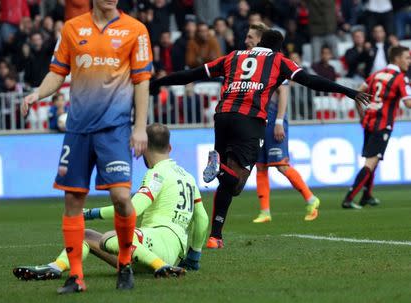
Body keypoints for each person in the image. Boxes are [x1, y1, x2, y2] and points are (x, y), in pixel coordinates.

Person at [149, 29, 371, 248]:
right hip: (250, 120)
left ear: (260, 42)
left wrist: (157, 83)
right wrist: (348, 91)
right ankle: (218, 169)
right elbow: (310, 80)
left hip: (223, 116)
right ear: (279, 48)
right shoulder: (278, 60)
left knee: (226, 182)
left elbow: (191, 75)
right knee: (236, 183)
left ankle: (215, 236)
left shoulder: (233, 56)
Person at [20, 0, 152, 293]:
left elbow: (142, 81)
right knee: (73, 201)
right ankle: (76, 277)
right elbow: (58, 72)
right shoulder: (71, 28)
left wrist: (140, 126)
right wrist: (36, 94)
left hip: (115, 129)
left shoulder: (135, 30)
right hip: (78, 130)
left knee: (120, 197)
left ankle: (125, 263)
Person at [13, 123, 208, 281]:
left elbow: (134, 208)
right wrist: (194, 257)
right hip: (163, 248)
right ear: (170, 147)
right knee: (85, 235)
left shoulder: (156, 174)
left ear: (143, 146)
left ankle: (161, 267)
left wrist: (91, 213)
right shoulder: (188, 177)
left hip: (157, 241)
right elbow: (202, 219)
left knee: (111, 238)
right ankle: (55, 267)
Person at [244, 25, 321, 224]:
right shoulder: (252, 61)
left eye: (250, 37)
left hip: (273, 120)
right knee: (260, 166)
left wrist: (279, 121)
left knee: (280, 165)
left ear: (261, 39)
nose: (246, 41)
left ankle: (311, 199)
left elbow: (283, 92)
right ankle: (265, 212)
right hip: (259, 121)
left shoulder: (275, 61)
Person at [342, 46, 411, 209]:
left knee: (374, 159)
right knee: (371, 161)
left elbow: (358, 94)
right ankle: (349, 198)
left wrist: (361, 117)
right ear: (397, 59)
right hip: (382, 125)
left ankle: (366, 196)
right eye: (407, 58)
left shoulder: (376, 74)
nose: (409, 61)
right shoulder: (400, 78)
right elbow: (408, 103)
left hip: (369, 122)